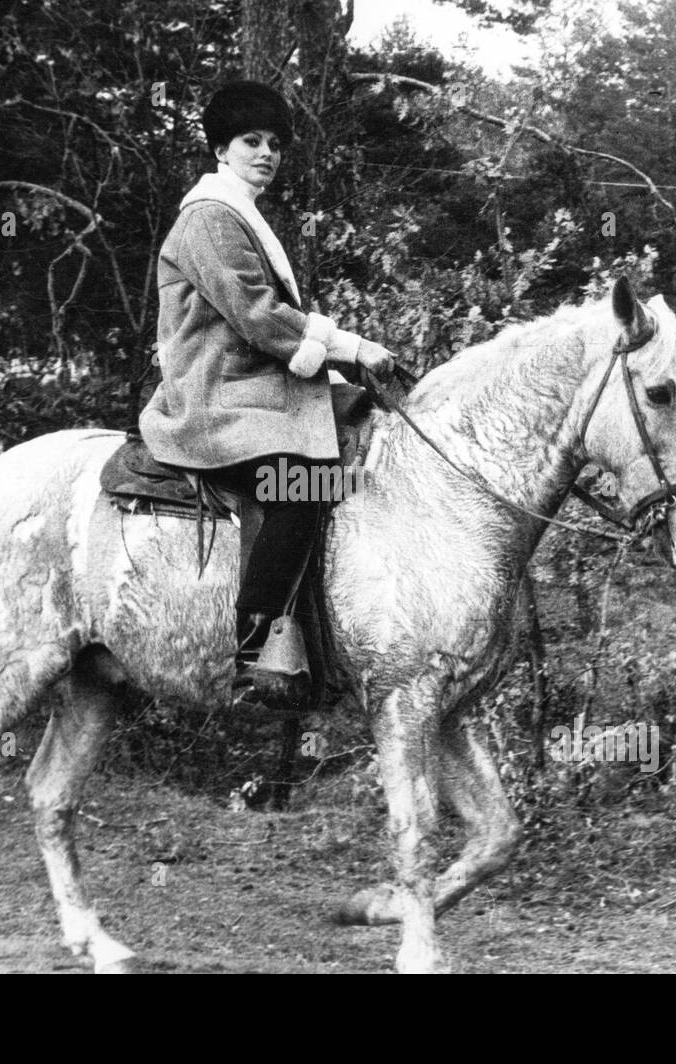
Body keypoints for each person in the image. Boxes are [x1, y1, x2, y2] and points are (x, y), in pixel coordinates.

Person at [139, 80, 396, 715]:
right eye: (251, 140)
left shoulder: (241, 215)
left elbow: (271, 322)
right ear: (221, 149)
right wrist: (352, 347)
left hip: (253, 390)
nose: (266, 152)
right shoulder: (208, 220)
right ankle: (256, 655)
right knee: (301, 487)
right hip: (212, 398)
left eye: (275, 143)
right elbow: (258, 316)